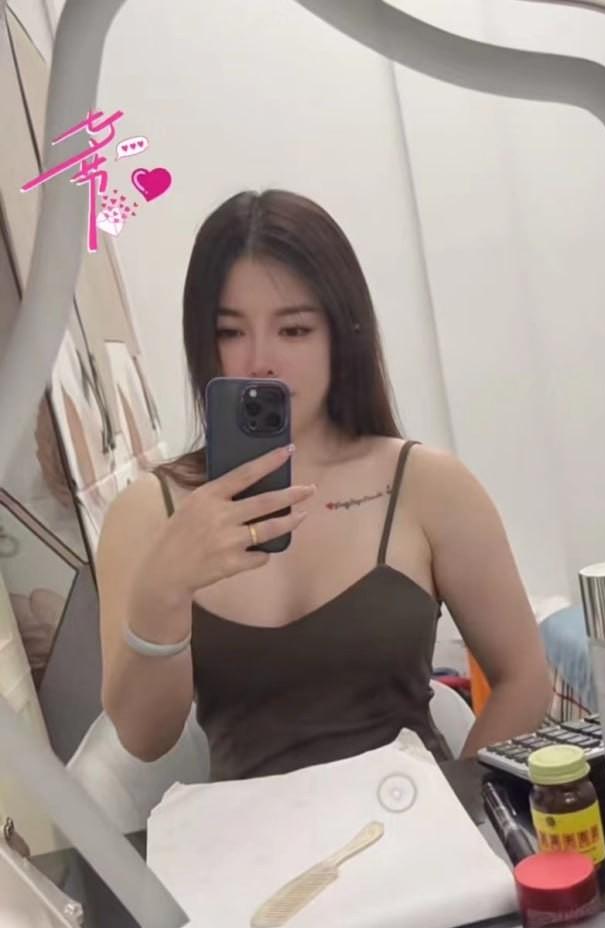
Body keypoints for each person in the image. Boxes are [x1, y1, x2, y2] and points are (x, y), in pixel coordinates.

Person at [97, 189, 551, 780]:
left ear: (342, 334)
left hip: (417, 821)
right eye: (231, 332)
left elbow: (524, 678)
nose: (260, 361)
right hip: (250, 835)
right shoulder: (149, 512)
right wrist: (163, 588)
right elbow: (143, 739)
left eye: (294, 330)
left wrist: (457, 806)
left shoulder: (429, 486)